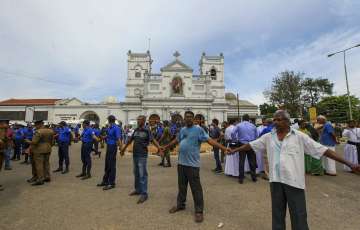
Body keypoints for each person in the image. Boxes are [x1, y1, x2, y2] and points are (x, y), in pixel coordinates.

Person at [230, 110, 360, 230]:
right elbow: (251, 145)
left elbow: (323, 150)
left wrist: (349, 163)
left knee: (299, 216)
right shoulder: (269, 137)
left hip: (294, 182)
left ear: (287, 121)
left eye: (279, 119)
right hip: (275, 181)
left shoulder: (299, 137)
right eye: (274, 119)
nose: (275, 122)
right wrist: (235, 150)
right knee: (277, 215)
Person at [162, 111, 230, 223]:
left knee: (196, 188)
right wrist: (166, 147)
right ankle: (180, 204)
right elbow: (177, 140)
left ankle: (199, 211)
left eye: (190, 117)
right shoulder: (183, 130)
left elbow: (210, 140)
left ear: (193, 119)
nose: (188, 119)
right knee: (182, 186)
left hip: (192, 165)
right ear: (184, 119)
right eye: (186, 117)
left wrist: (223, 148)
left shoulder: (198, 129)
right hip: (181, 164)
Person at [120, 115, 162, 204]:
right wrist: (123, 149)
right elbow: (130, 140)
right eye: (137, 120)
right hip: (135, 155)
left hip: (142, 155)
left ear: (143, 121)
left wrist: (159, 148)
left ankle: (144, 193)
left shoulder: (147, 130)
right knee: (136, 173)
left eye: (139, 120)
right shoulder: (136, 130)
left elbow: (153, 140)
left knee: (143, 174)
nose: (138, 121)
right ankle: (138, 189)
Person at [25, 120, 55, 186]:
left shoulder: (38, 131)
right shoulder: (51, 131)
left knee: (38, 165)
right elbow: (53, 142)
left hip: (38, 150)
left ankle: (40, 179)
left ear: (39, 124)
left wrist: (27, 141)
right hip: (48, 149)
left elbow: (34, 142)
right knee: (46, 163)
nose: (35, 126)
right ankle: (47, 176)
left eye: (36, 125)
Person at [97, 115, 122, 190]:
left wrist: (121, 149)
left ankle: (111, 183)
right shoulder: (109, 128)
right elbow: (108, 136)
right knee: (107, 164)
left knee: (111, 165)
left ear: (110, 120)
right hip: (108, 147)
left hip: (113, 147)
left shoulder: (116, 128)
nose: (107, 121)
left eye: (108, 120)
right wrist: (103, 137)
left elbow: (118, 139)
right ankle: (105, 181)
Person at [231, 114, 258, 184]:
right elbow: (256, 135)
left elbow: (233, 133)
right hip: (251, 144)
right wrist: (253, 141)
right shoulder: (253, 125)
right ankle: (254, 177)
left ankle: (241, 178)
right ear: (249, 119)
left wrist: (235, 140)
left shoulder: (239, 125)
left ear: (242, 119)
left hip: (241, 144)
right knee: (252, 161)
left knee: (241, 161)